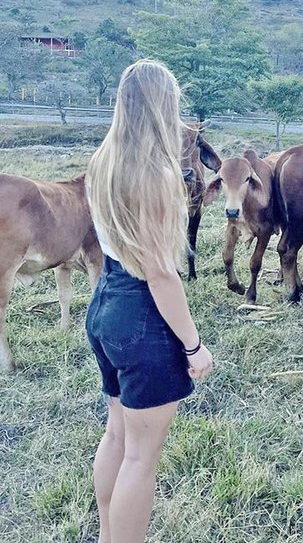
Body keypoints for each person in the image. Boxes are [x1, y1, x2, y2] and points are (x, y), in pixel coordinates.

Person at [85, 59, 214, 543]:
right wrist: (193, 345)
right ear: (164, 107)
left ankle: (107, 536)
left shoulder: (103, 160)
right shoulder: (159, 174)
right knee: (142, 456)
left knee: (117, 435)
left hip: (104, 306)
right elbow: (161, 274)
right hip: (141, 315)